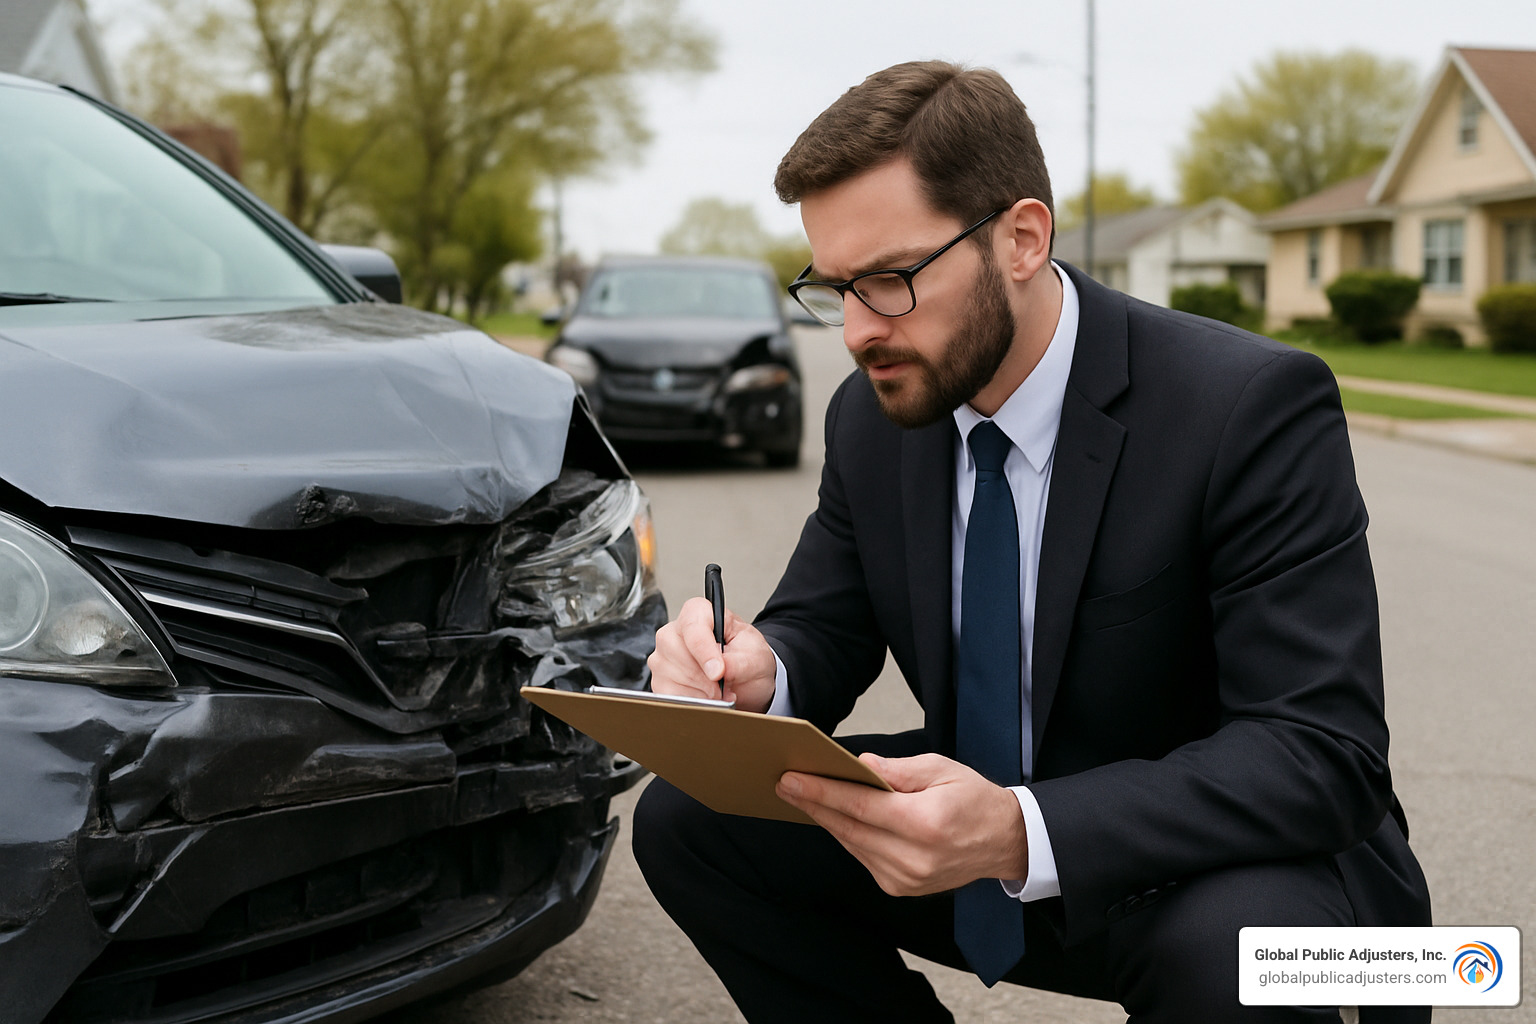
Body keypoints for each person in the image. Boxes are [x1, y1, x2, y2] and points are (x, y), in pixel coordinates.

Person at [632, 60, 1430, 1023]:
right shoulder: (874, 412)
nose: (853, 331)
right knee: (688, 822)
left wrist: (1020, 829)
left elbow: (1321, 753)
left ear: (1021, 238)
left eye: (888, 281)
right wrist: (759, 671)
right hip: (978, 844)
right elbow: (824, 621)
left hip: (1229, 875)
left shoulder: (1246, 406)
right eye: (834, 286)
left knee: (1236, 959)